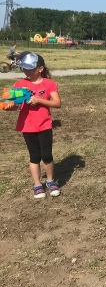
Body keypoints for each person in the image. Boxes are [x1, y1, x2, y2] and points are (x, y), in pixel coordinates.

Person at [3, 52, 62, 198]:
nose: (26, 71)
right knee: (34, 156)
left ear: (40, 69)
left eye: (30, 69)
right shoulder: (20, 84)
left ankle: (50, 181)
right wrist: (8, 107)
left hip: (45, 125)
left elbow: (57, 103)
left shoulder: (49, 84)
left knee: (47, 155)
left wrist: (39, 100)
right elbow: (15, 105)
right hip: (28, 126)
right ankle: (37, 185)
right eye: (24, 68)